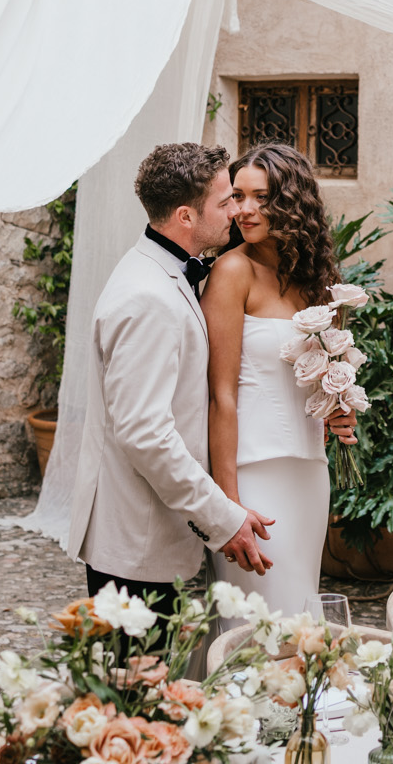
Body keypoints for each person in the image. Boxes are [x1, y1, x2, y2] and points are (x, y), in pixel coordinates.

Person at [68, 141, 273, 618]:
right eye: (225, 202)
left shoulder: (163, 271)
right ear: (185, 216)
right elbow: (145, 434)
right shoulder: (148, 298)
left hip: (148, 536)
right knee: (136, 686)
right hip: (137, 544)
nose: (236, 212)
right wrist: (222, 518)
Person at [203, 141, 358, 615]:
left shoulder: (312, 278)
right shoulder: (233, 271)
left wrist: (339, 409)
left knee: (300, 620)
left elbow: (317, 374)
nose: (245, 210)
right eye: (238, 196)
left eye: (262, 197)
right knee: (261, 626)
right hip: (253, 472)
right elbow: (220, 396)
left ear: (293, 202)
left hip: (309, 470)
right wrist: (228, 508)